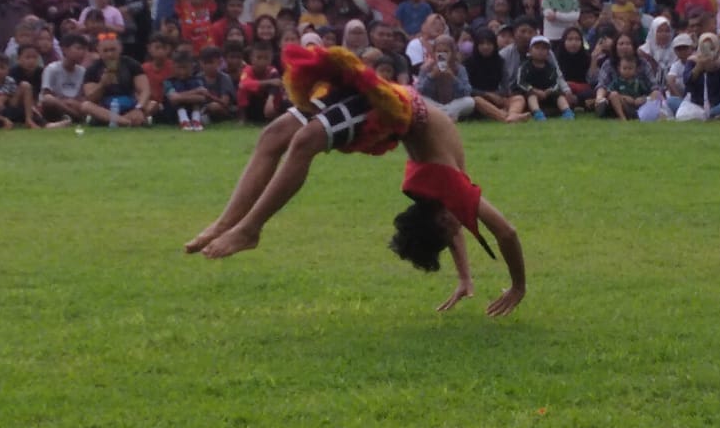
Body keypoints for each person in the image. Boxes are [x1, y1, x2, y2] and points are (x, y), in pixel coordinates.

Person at [185, 43, 527, 317]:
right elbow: (505, 232)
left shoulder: (445, 194)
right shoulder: (449, 192)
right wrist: (517, 286)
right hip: (388, 101)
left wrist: (465, 276)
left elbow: (452, 223)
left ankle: (247, 228)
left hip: (386, 108)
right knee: (274, 136)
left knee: (303, 141)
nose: (459, 229)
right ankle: (233, 225)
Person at [82, 32, 152, 127]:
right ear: (98, 50)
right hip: (106, 108)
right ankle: (127, 122)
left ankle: (110, 121)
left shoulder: (131, 64)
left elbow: (145, 90)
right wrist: (102, 84)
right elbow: (90, 98)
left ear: (120, 48)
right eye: (105, 51)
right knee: (86, 106)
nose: (110, 54)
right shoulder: (93, 69)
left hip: (130, 106)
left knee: (153, 104)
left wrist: (139, 108)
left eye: (113, 50)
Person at [414, 33, 475, 121]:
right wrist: (431, 76)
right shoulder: (426, 68)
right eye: (438, 51)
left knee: (470, 102)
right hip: (434, 103)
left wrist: (452, 78)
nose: (442, 55)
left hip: (453, 103)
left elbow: (467, 91)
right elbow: (419, 91)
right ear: (434, 52)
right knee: (421, 100)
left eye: (446, 52)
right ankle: (447, 115)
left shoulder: (459, 69)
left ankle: (440, 115)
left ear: (453, 53)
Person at [514, 35, 573, 121]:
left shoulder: (551, 68)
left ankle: (567, 111)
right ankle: (537, 113)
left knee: (559, 95)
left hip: (547, 93)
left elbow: (556, 83)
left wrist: (548, 91)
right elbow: (520, 82)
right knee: (531, 96)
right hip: (531, 93)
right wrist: (534, 90)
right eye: (537, 48)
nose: (540, 51)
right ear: (530, 50)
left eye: (544, 49)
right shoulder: (525, 66)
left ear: (548, 52)